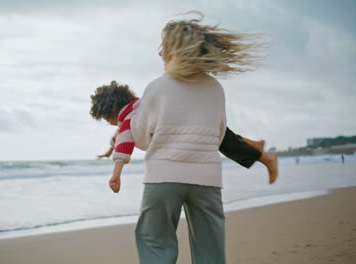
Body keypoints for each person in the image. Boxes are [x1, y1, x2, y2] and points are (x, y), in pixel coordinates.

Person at [99, 13, 270, 263]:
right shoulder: (215, 87)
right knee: (209, 249)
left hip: (164, 178)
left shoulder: (157, 87)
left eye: (162, 48)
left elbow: (142, 140)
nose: (159, 54)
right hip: (207, 179)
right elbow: (219, 135)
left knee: (155, 242)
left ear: (173, 51)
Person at [90, 81, 278, 190]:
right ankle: (255, 145)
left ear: (111, 110)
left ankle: (265, 158)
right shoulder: (137, 109)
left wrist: (116, 175)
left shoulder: (128, 121)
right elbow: (118, 138)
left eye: (106, 119)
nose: (109, 123)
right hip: (193, 115)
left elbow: (123, 144)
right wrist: (107, 153)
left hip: (185, 131)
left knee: (222, 142)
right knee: (221, 138)